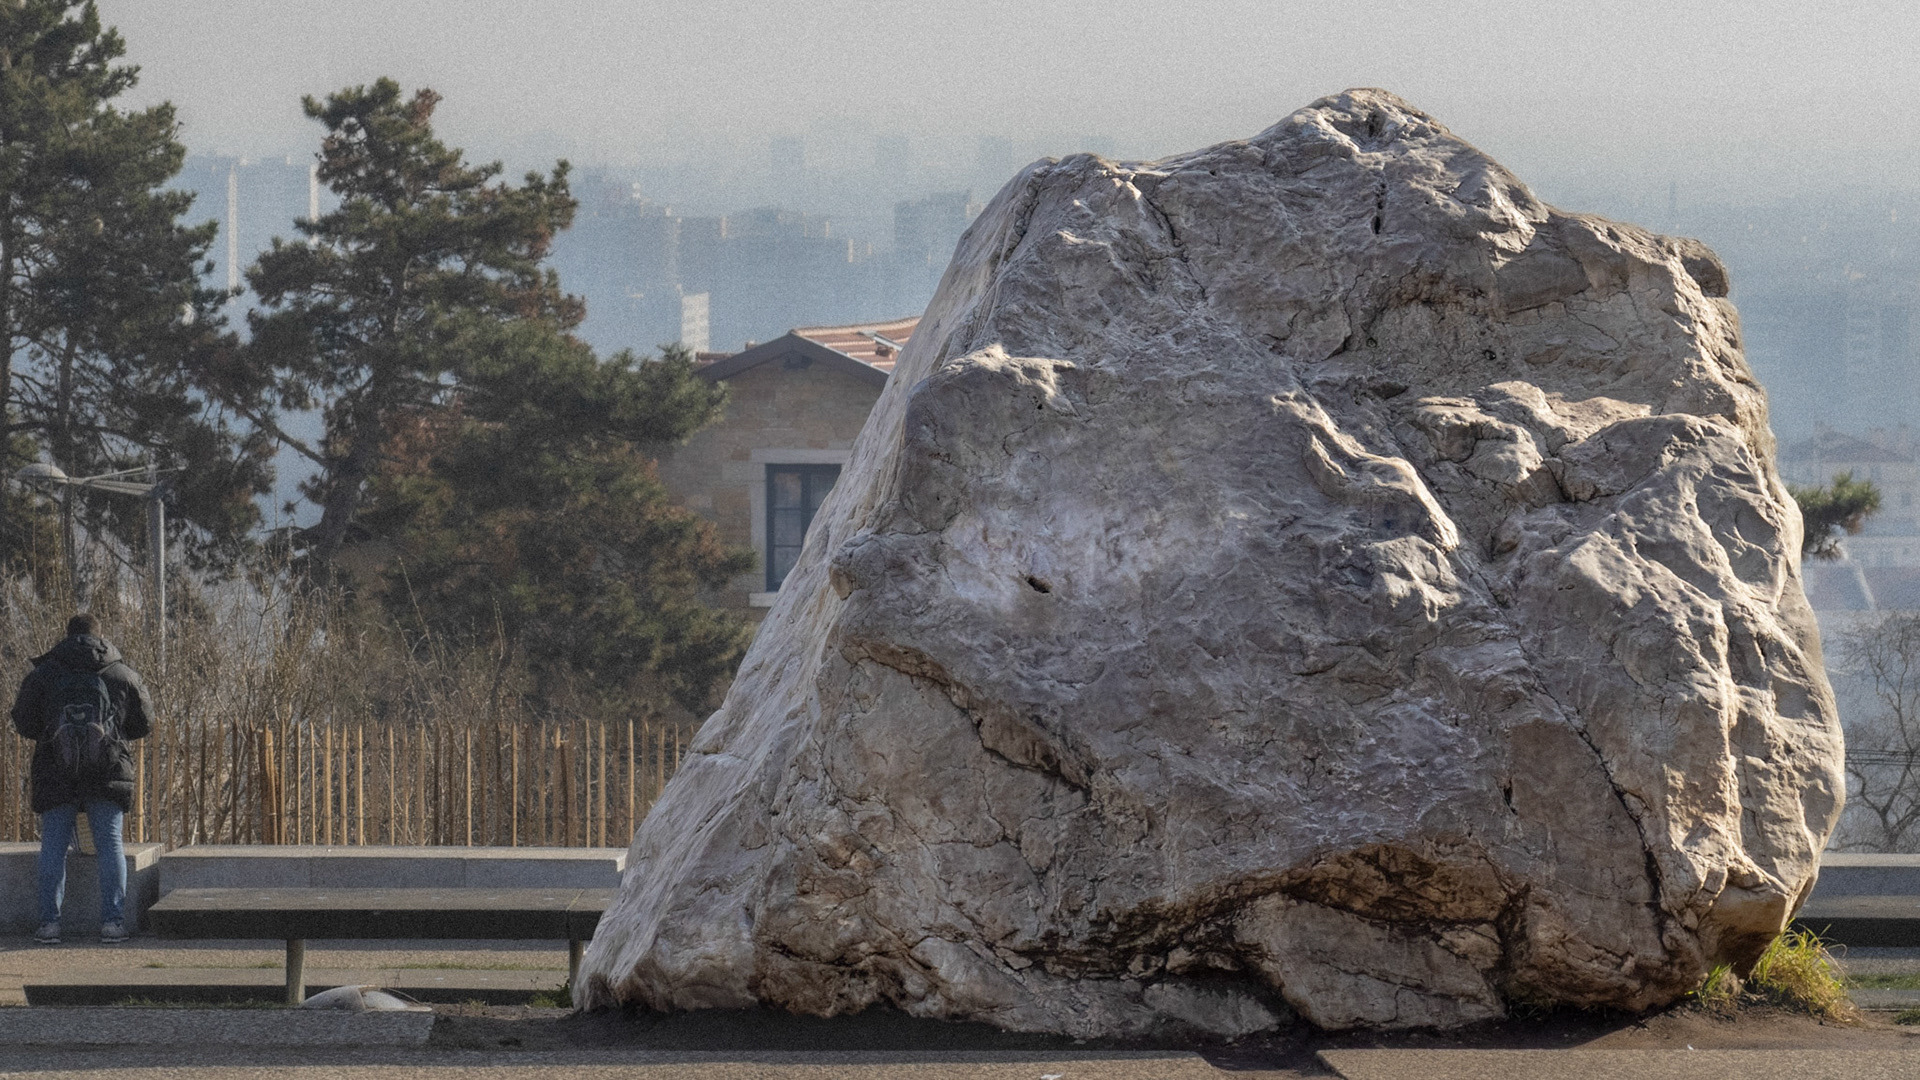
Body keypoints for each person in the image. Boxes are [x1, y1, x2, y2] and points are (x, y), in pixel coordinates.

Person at [9, 613, 153, 944]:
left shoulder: (44, 673)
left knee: (54, 846)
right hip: (107, 771)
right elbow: (144, 723)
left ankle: (49, 925)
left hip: (55, 770)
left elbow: (24, 722)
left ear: (66, 635)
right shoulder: (121, 673)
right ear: (101, 638)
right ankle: (113, 924)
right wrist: (112, 740)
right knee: (110, 843)